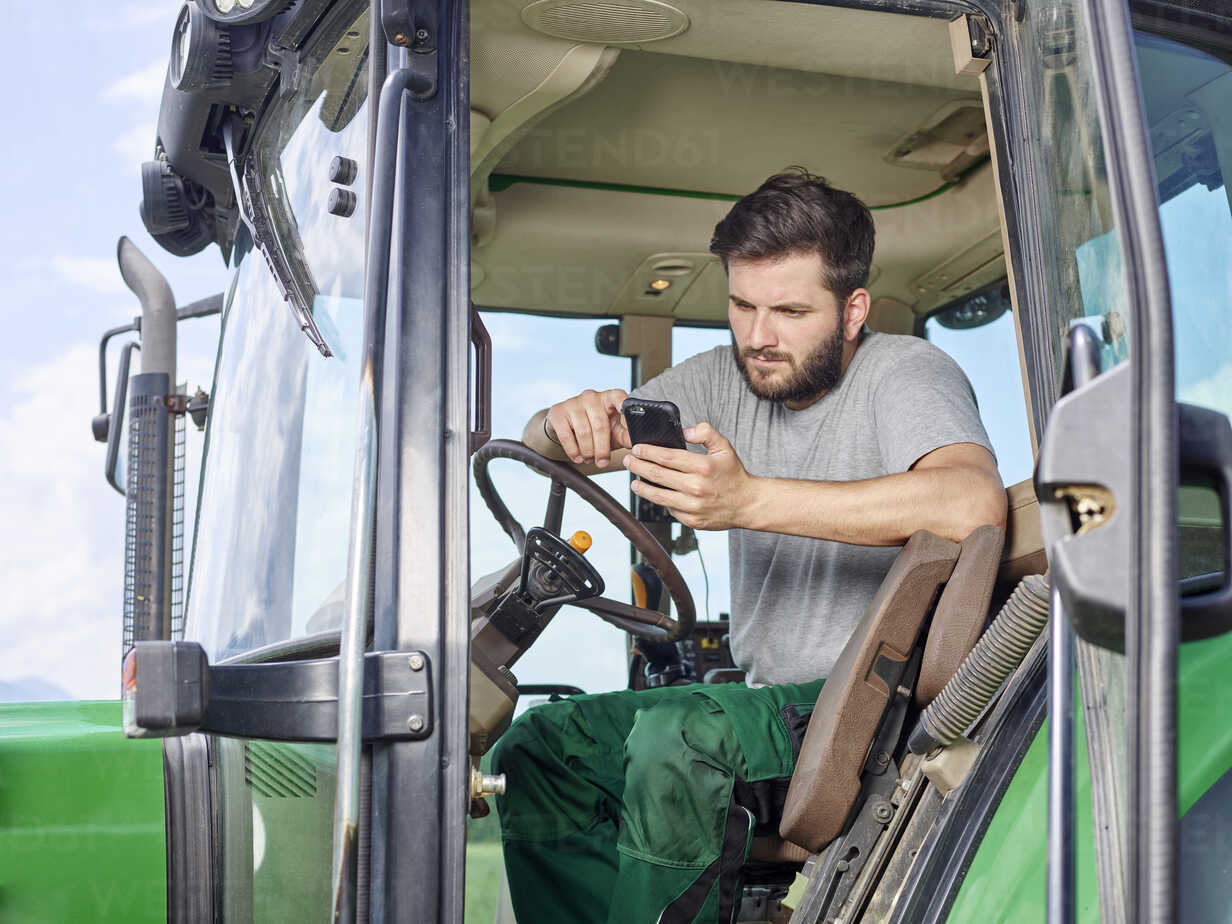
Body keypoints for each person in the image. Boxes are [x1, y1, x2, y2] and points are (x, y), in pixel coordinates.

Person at [491, 169, 1007, 924]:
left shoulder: (907, 373)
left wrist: (749, 500)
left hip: (858, 709)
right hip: (766, 705)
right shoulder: (726, 379)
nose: (759, 337)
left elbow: (972, 501)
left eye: (792, 311)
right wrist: (559, 421)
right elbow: (568, 443)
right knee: (538, 750)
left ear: (853, 309)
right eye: (742, 306)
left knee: (679, 738)